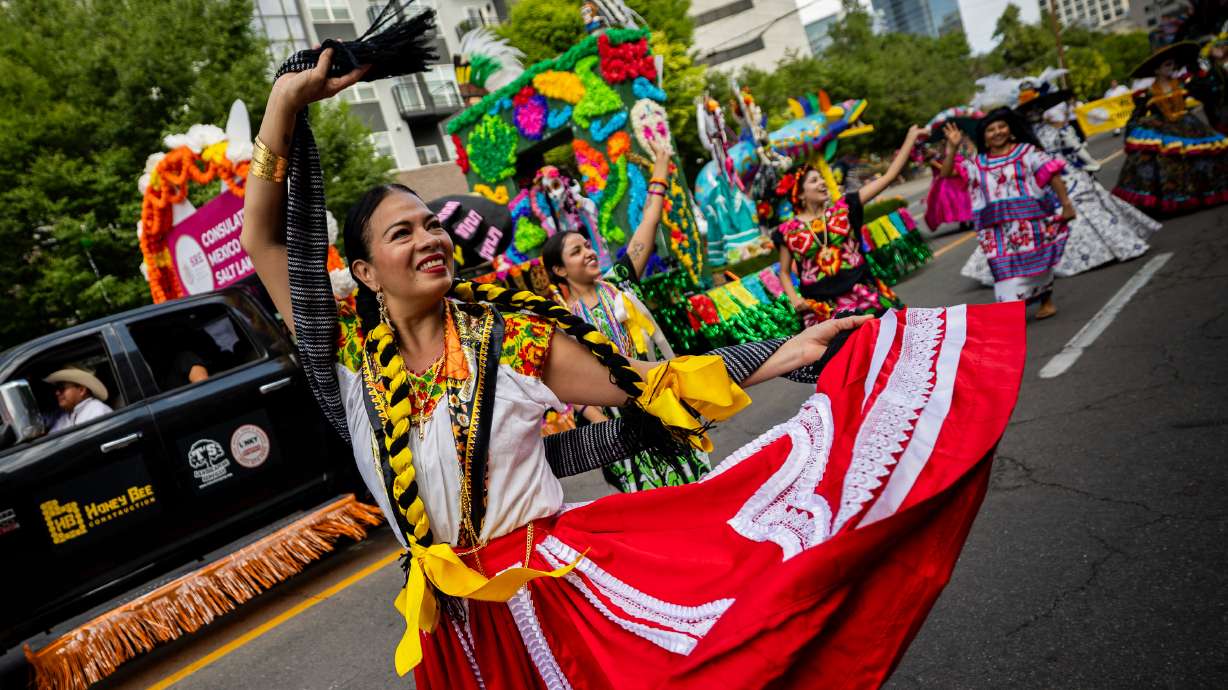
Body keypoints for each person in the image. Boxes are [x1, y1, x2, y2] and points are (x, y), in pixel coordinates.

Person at [243, 40, 1027, 689]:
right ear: (366, 273)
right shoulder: (346, 360)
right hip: (452, 633)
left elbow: (643, 384)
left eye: (430, 224)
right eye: (400, 234)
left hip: (545, 604)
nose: (430, 240)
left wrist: (787, 349)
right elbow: (267, 243)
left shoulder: (506, 339)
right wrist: (285, 106)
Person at [539, 140, 706, 491]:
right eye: (576, 251)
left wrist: (659, 170)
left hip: (662, 401)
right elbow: (570, 388)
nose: (588, 252)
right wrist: (610, 433)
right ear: (559, 269)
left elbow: (649, 220)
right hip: (619, 426)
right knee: (656, 511)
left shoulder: (621, 283)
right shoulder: (562, 322)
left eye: (587, 245)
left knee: (699, 485)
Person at [962, 101, 1159, 285]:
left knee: (1081, 205)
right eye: (1030, 112)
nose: (1034, 115)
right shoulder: (1026, 139)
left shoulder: (1036, 139)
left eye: (1036, 110)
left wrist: (1085, 168)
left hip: (1059, 176)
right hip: (1031, 188)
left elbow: (1069, 154)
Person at [775, 126, 924, 326]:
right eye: (814, 181)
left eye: (821, 178)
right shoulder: (787, 232)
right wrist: (796, 300)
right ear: (799, 194)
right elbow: (784, 271)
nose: (822, 183)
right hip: (823, 313)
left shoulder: (845, 208)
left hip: (865, 299)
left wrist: (910, 138)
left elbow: (888, 177)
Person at [943, 109, 1076, 318]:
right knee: (1001, 268)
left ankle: (1046, 300)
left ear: (1010, 130)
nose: (997, 132)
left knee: (1036, 264)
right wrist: (952, 147)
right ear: (984, 137)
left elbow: (1052, 174)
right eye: (991, 129)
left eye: (1001, 127)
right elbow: (947, 173)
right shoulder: (977, 163)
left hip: (1030, 221)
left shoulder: (1027, 152)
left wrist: (1066, 204)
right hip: (993, 228)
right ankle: (1010, 310)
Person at [1113, 42, 1228, 214]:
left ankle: (1206, 194)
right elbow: (1136, 116)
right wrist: (1130, 138)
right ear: (1157, 70)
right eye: (1167, 64)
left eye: (1172, 64)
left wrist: (1208, 63)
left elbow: (1208, 90)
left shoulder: (1183, 83)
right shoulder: (1147, 93)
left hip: (1190, 126)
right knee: (1168, 166)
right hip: (1164, 130)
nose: (1171, 67)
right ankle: (1176, 201)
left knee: (1204, 160)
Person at [922, 130, 973, 233]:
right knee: (957, 201)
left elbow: (964, 159)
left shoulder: (959, 149)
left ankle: (967, 220)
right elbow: (945, 169)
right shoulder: (943, 154)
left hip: (956, 179)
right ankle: (964, 221)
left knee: (962, 200)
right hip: (948, 180)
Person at [45, 366, 112, 432]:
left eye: (61, 388)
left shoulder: (97, 411)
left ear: (81, 390)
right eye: (57, 389)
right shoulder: (64, 416)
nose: (57, 393)